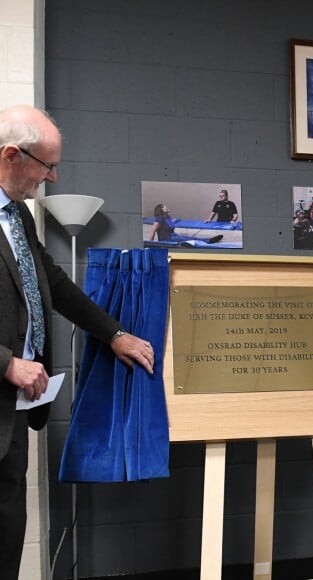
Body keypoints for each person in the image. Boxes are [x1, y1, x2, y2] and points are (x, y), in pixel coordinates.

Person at [0, 104, 155, 580]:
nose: (52, 176)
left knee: (7, 533)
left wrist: (115, 334)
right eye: (46, 164)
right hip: (9, 380)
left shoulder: (17, 216)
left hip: (12, 411)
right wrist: (6, 364)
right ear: (11, 155)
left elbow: (54, 283)